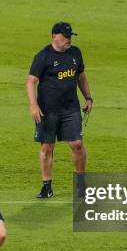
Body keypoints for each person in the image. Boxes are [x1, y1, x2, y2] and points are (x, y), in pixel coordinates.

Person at [26, 22, 93, 198]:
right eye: (65, 36)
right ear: (54, 36)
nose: (68, 39)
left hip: (70, 108)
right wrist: (33, 105)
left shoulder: (75, 53)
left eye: (70, 36)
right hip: (47, 110)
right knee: (47, 147)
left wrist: (88, 97)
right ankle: (46, 186)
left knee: (77, 145)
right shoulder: (43, 56)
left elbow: (80, 75)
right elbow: (31, 81)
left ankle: (81, 184)